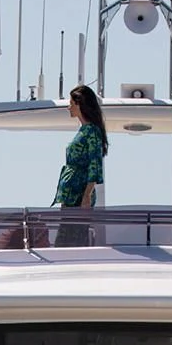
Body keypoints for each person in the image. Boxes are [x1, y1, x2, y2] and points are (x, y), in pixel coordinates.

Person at [53, 85, 108, 246]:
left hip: (79, 195)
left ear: (79, 104)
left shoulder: (92, 131)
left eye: (71, 103)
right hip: (71, 195)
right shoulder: (84, 130)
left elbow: (95, 163)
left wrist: (87, 196)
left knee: (72, 239)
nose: (68, 107)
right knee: (65, 238)